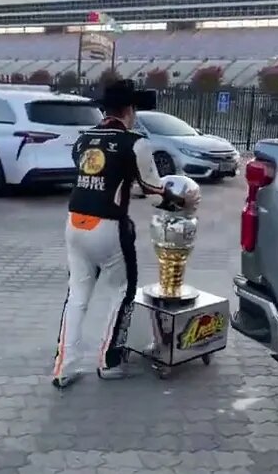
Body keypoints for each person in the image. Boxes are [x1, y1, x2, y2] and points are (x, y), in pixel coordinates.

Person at [50, 80, 189, 388]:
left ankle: (64, 367)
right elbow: (154, 191)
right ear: (130, 110)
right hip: (109, 227)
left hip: (75, 222)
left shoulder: (83, 140)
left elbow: (99, 175)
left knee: (77, 296)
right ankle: (109, 362)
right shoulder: (135, 142)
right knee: (122, 292)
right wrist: (182, 200)